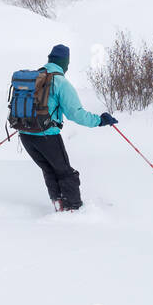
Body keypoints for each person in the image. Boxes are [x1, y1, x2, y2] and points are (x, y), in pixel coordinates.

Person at [18, 44, 117, 212]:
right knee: (65, 173)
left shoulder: (33, 77)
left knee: (49, 170)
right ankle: (73, 209)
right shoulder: (61, 82)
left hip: (25, 134)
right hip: (47, 136)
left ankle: (59, 205)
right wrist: (100, 121)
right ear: (65, 63)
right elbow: (76, 114)